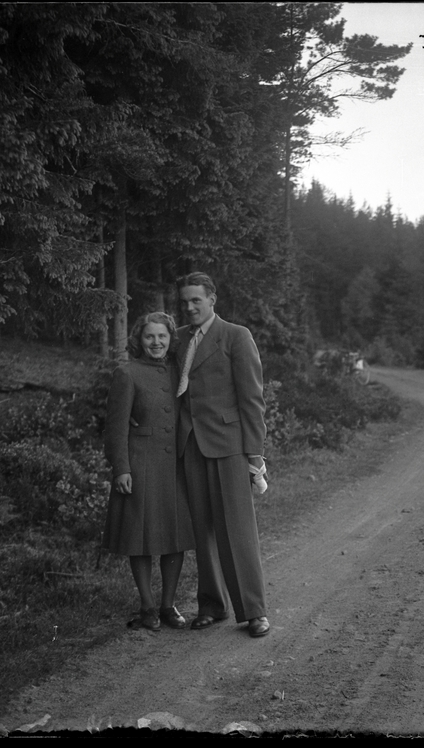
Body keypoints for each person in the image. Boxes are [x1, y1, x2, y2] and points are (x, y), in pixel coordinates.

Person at [174, 272, 271, 638]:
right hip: (191, 447)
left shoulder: (235, 336)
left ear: (212, 299)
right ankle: (212, 606)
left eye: (196, 300)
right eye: (185, 301)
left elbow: (252, 399)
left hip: (229, 446)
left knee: (238, 531)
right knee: (203, 531)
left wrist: (255, 454)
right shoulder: (178, 339)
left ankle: (254, 611)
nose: (190, 307)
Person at [103, 312, 195, 631]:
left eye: (162, 337)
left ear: (171, 340)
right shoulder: (127, 373)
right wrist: (121, 469)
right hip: (141, 463)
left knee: (174, 536)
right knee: (139, 537)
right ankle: (147, 607)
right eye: (149, 337)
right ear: (139, 340)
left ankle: (168, 605)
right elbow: (116, 427)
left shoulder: (180, 372)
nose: (156, 342)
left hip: (176, 466)